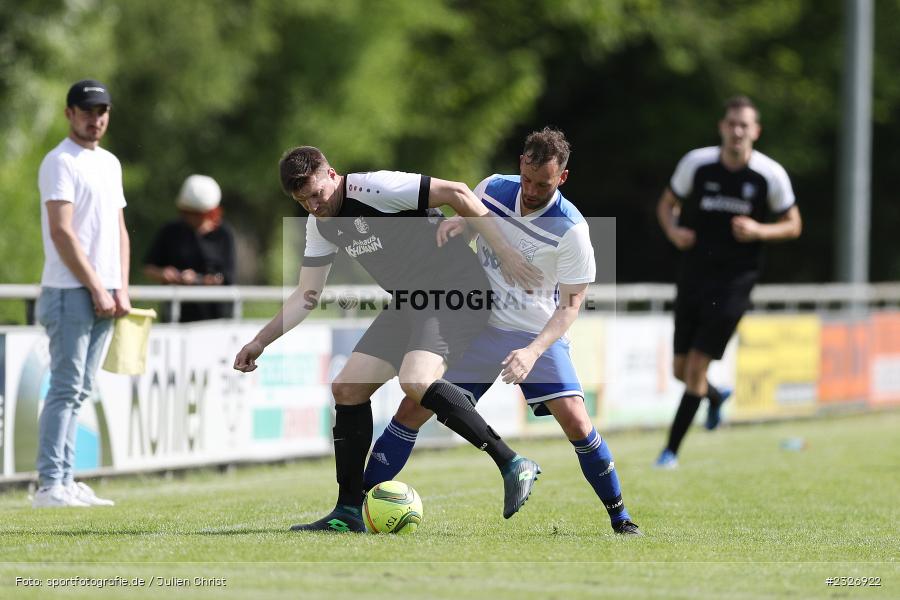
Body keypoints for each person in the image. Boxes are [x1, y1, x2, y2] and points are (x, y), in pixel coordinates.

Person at [233, 146, 544, 532]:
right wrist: (260, 341)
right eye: (302, 201)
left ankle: (512, 462)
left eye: (317, 194)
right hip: (410, 301)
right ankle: (348, 511)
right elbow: (307, 295)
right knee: (347, 388)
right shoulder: (321, 224)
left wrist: (507, 254)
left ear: (332, 174)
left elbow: (459, 192)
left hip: (455, 290)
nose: (313, 206)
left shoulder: (376, 188)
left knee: (415, 380)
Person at [362, 127, 641, 535]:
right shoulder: (492, 188)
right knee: (412, 408)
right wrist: (461, 224)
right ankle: (358, 507)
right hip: (477, 325)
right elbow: (475, 223)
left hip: (534, 335)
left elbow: (571, 305)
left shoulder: (573, 231)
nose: (530, 189)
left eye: (542, 184)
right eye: (527, 178)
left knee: (578, 423)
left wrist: (531, 352)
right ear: (521, 165)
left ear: (562, 178)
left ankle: (621, 519)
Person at [655, 96, 802, 468]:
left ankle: (670, 451)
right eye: (732, 123)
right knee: (679, 370)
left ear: (755, 131)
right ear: (723, 126)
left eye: (745, 125)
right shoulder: (697, 164)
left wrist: (758, 230)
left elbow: (794, 225)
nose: (737, 131)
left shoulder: (769, 175)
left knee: (696, 368)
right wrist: (674, 232)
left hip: (734, 282)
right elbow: (666, 204)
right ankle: (717, 397)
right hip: (693, 276)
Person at [33, 79, 131, 508]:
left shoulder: (109, 162)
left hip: (105, 291)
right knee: (66, 387)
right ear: (70, 113)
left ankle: (67, 480)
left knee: (81, 388)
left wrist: (120, 286)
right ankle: (49, 484)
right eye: (88, 111)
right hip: (71, 289)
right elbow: (61, 231)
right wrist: (96, 286)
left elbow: (119, 230)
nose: (97, 119)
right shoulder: (60, 162)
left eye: (102, 110)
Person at [143, 174, 236, 322]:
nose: (194, 218)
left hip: (216, 318)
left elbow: (226, 277)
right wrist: (164, 273)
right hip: (176, 316)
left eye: (200, 214)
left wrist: (198, 280)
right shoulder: (170, 231)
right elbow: (149, 267)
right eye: (189, 213)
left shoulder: (224, 234)